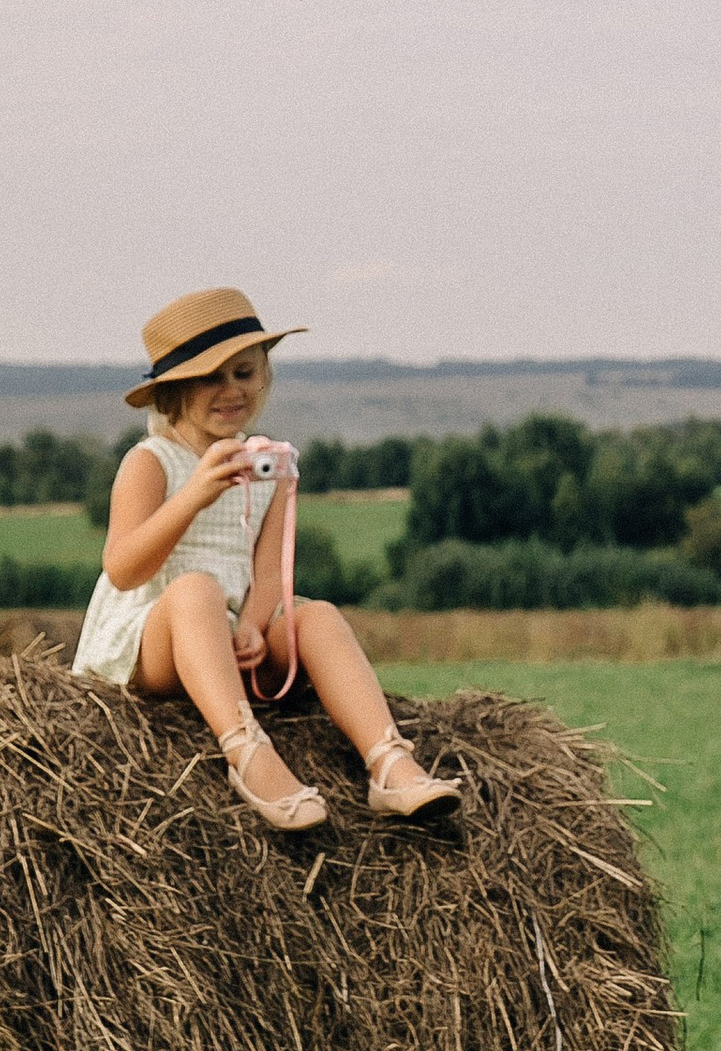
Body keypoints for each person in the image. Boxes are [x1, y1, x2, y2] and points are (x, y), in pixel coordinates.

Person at [72, 286, 458, 832]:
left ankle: (389, 763)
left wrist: (253, 626)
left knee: (316, 614)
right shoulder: (151, 462)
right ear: (174, 390)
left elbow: (274, 572)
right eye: (212, 377)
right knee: (196, 589)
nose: (231, 390)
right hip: (149, 640)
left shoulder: (270, 466)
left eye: (245, 373)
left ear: (265, 376)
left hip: (226, 642)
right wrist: (195, 494)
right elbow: (123, 568)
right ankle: (248, 754)